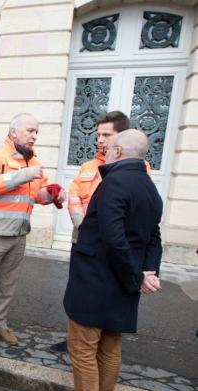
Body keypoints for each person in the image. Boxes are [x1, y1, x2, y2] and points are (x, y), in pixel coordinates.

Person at [45, 129, 162, 391]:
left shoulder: (114, 184)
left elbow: (114, 239)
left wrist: (136, 276)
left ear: (119, 152)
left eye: (109, 146)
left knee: (83, 351)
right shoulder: (149, 186)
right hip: (122, 284)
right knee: (109, 349)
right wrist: (147, 271)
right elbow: (154, 237)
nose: (104, 150)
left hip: (98, 281)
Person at [50, 111, 151, 353]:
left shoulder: (135, 169)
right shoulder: (88, 166)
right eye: (98, 135)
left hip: (110, 245)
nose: (100, 140)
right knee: (79, 294)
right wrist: (82, 225)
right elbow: (74, 195)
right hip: (82, 239)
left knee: (105, 295)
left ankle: (95, 340)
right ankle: (77, 336)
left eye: (106, 135)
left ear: (121, 138)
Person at [0, 113, 65, 351]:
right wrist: (25, 175)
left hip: (19, 233)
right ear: (13, 132)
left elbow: (37, 195)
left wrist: (51, 195)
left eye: (36, 132)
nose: (34, 136)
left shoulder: (34, 162)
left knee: (8, 283)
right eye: (30, 130)